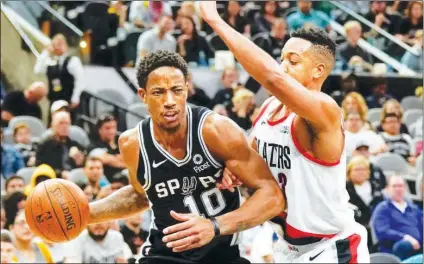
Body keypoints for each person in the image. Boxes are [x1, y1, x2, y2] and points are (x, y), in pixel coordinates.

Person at [200, 2, 369, 262]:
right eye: (281, 59)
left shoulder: (325, 110)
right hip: (287, 246)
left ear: (318, 70)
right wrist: (234, 172)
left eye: (293, 61)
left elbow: (271, 78)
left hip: (332, 247)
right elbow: (253, 163)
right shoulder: (268, 108)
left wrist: (215, 21)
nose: (282, 67)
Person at [86, 50, 284, 264]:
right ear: (143, 95)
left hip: (222, 255)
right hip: (163, 256)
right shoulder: (132, 144)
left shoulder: (216, 130)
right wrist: (85, 214)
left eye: (176, 90)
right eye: (158, 92)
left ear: (187, 90)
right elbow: (142, 196)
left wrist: (215, 226)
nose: (169, 101)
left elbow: (273, 197)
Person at [371, 175, 423, 260]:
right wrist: (405, 237)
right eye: (394, 186)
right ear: (387, 189)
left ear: (405, 188)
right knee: (404, 245)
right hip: (395, 248)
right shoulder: (383, 208)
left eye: (400, 186)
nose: (398, 189)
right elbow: (383, 231)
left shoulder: (414, 209)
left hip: (418, 247)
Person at [33, 34, 84, 111]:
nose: (57, 47)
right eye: (55, 45)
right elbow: (38, 70)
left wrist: (75, 98)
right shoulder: (50, 61)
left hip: (68, 100)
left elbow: (80, 80)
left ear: (66, 46)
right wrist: (46, 52)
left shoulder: (73, 61)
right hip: (54, 100)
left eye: (60, 44)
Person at [346, 155, 384, 248]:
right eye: (356, 169)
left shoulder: (376, 187)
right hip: (356, 230)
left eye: (363, 169)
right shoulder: (344, 190)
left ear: (368, 172)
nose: (360, 172)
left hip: (376, 227)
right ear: (349, 172)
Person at [35, 111, 85, 178]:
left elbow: (84, 168)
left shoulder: (75, 145)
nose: (64, 126)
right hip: (52, 180)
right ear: (53, 126)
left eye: (67, 123)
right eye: (61, 123)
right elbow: (40, 169)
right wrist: (60, 173)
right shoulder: (44, 146)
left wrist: (81, 162)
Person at [64, 220, 131, 263]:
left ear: (109, 223)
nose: (99, 224)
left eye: (103, 220)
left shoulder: (116, 236)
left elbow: (123, 260)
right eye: (94, 220)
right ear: (86, 224)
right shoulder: (78, 238)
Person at [88, 114, 125, 181]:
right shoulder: (93, 145)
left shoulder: (121, 143)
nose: (111, 131)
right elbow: (108, 160)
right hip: (105, 183)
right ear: (99, 130)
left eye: (113, 127)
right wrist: (122, 161)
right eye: (107, 128)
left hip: (123, 181)